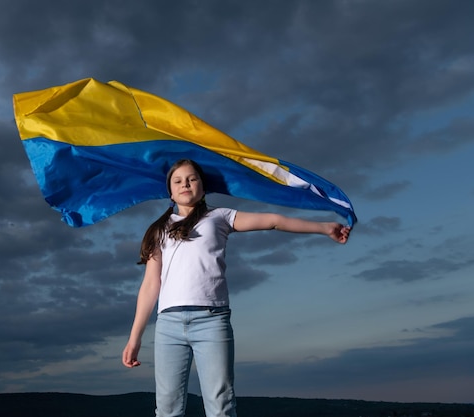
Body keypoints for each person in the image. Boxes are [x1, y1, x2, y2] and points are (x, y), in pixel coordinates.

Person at [122, 159, 351, 417]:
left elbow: (273, 220)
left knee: (220, 406)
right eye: (178, 181)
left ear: (203, 187)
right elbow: (151, 284)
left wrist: (323, 228)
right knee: (167, 409)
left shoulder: (219, 217)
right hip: (169, 325)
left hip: (211, 321)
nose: (185, 184)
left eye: (192, 178)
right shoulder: (158, 230)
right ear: (171, 192)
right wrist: (135, 338)